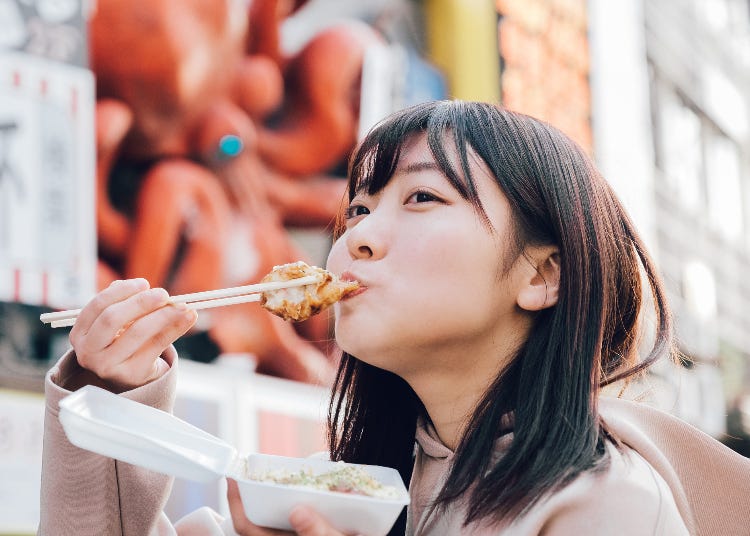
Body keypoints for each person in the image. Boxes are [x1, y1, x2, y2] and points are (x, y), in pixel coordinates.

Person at [39, 100, 750, 535]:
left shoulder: (609, 507)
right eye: (358, 208)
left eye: (421, 199)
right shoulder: (350, 492)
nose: (358, 238)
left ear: (541, 275)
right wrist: (108, 393)